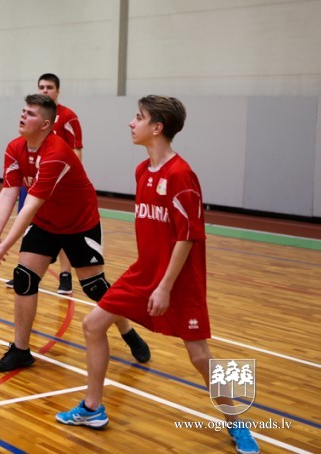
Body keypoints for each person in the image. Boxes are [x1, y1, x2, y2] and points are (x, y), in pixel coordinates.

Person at [55, 96, 259, 454]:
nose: (131, 123)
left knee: (199, 356)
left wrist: (165, 287)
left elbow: (188, 236)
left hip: (179, 281)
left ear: (157, 127)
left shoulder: (181, 174)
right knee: (93, 324)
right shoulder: (142, 171)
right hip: (143, 273)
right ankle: (92, 408)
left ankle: (238, 423)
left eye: (139, 117)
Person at [0, 94, 150, 373]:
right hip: (45, 223)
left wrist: (6, 245)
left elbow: (31, 204)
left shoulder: (56, 153)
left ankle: (127, 330)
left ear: (46, 124)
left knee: (95, 287)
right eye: (23, 111)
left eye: (31, 113)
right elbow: (9, 191)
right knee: (24, 278)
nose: (23, 116)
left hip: (80, 223)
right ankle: (21, 350)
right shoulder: (15, 148)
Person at [6, 73, 84, 295]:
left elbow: (76, 150)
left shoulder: (68, 117)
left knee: (64, 230)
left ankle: (65, 275)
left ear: (58, 91)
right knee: (28, 224)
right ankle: (24, 270)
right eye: (41, 87)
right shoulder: (34, 118)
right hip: (34, 183)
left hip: (57, 184)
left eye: (49, 87)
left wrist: (66, 179)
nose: (45, 90)